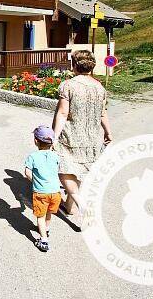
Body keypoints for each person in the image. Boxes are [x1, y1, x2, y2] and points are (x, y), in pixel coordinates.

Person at [52, 49, 114, 220]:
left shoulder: (68, 85)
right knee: (78, 170)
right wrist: (108, 132)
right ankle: (69, 206)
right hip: (91, 137)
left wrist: (54, 137)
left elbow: (63, 113)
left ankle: (81, 205)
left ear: (74, 65)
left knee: (64, 170)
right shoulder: (99, 87)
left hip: (71, 135)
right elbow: (102, 113)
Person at [24, 125, 61, 252]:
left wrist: (35, 181)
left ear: (36, 141)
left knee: (40, 216)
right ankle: (46, 229)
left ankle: (43, 240)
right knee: (49, 213)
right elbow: (57, 169)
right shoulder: (55, 156)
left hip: (41, 193)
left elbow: (27, 173)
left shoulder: (33, 156)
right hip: (55, 192)